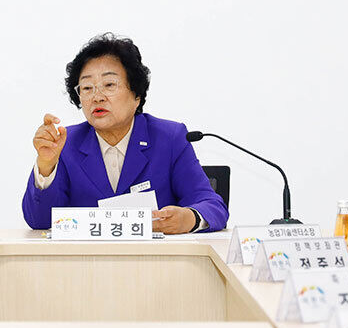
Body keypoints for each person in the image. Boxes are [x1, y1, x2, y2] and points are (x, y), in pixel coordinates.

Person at [22, 34, 228, 233]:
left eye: (109, 85)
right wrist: (46, 166)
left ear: (136, 94)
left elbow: (213, 206)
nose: (97, 97)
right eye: (87, 88)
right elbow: (39, 221)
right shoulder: (65, 143)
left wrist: (188, 219)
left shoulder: (170, 138)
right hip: (87, 257)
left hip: (155, 257)